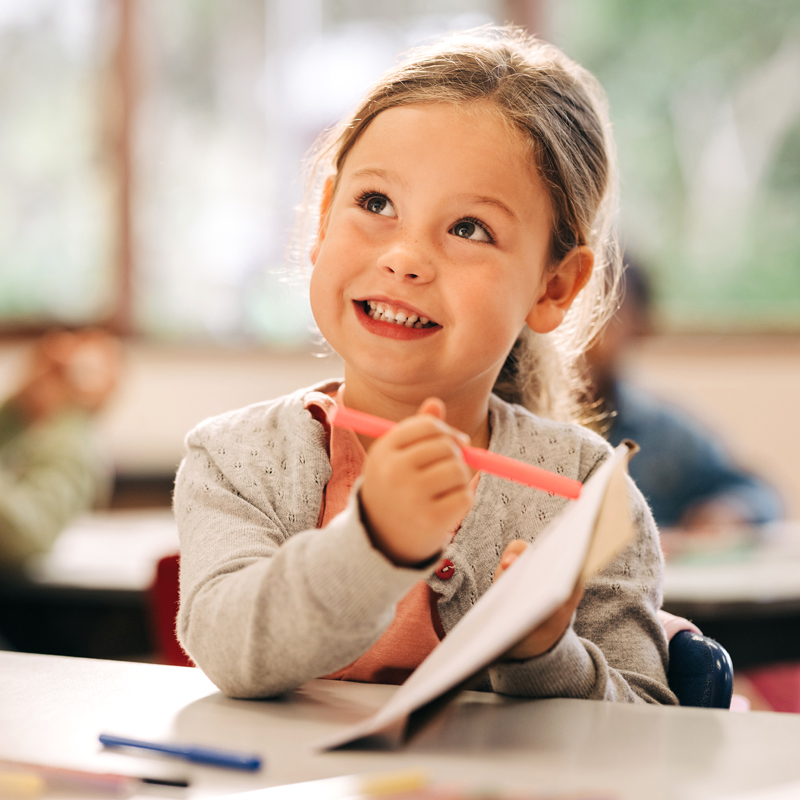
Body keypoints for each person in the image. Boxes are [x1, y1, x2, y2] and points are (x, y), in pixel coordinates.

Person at [174, 26, 676, 705]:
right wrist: (373, 547)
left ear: (554, 286)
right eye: (376, 204)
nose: (405, 256)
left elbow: (648, 726)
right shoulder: (234, 459)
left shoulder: (585, 495)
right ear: (324, 219)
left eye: (469, 228)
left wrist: (544, 654)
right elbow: (230, 649)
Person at [584, 262, 783, 530]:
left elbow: (758, 494)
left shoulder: (663, 431)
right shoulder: (520, 422)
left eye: (602, 313)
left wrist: (727, 511)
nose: (583, 331)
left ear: (640, 326)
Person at [0, 328, 120, 568]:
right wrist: (71, 413)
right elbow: (27, 535)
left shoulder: (42, 434)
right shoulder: (70, 439)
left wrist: (20, 408)